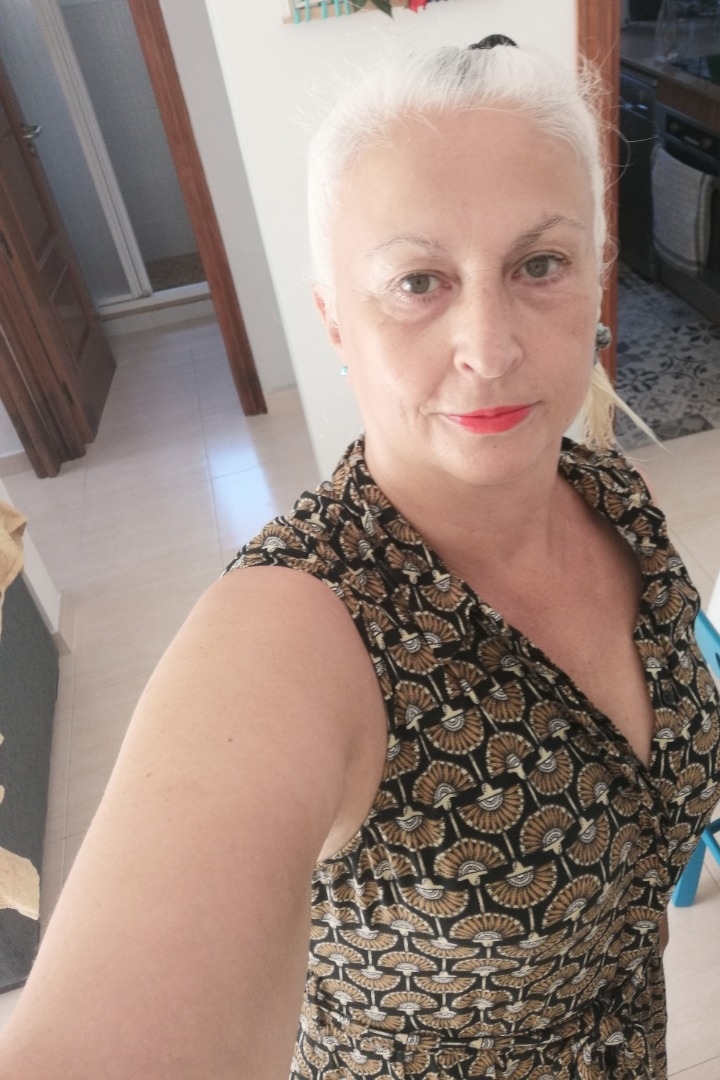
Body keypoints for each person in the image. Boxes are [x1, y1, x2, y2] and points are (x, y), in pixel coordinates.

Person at [0, 37, 718, 1080]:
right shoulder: (300, 624)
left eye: (539, 265)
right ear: (335, 322)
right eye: (419, 281)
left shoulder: (616, 501)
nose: (490, 347)